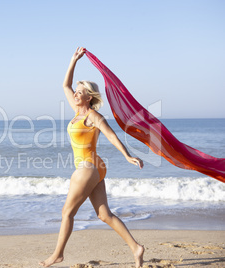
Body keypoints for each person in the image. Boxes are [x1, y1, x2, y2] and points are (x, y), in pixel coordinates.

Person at [39, 47, 145, 268]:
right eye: (76, 92)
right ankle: (136, 248)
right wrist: (73, 60)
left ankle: (57, 254)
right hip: (95, 167)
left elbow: (110, 134)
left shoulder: (92, 116)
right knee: (104, 214)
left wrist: (126, 155)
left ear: (89, 97)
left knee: (67, 212)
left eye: (80, 92)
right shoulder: (77, 112)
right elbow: (65, 85)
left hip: (88, 167)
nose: (75, 94)